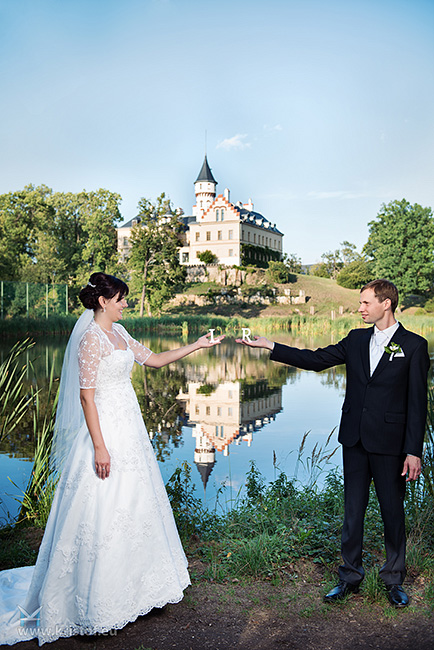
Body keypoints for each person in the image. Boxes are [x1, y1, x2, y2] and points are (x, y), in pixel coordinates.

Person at [0, 272, 224, 645]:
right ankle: (97, 603)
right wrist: (100, 447)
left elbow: (152, 360)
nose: (125, 304)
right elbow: (87, 398)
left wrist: (196, 346)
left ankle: (140, 591)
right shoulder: (90, 340)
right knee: (102, 509)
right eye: (121, 299)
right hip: (105, 434)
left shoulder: (119, 334)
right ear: (103, 301)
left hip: (131, 431)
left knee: (135, 505)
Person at [236, 279, 429, 608]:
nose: (360, 308)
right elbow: (316, 360)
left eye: (366, 303)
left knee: (392, 513)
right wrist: (271, 346)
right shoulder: (355, 339)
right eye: (360, 302)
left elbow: (417, 404)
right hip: (353, 438)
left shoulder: (413, 345)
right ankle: (349, 577)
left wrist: (413, 450)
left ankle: (393, 579)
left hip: (391, 443)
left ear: (386, 304)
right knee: (352, 511)